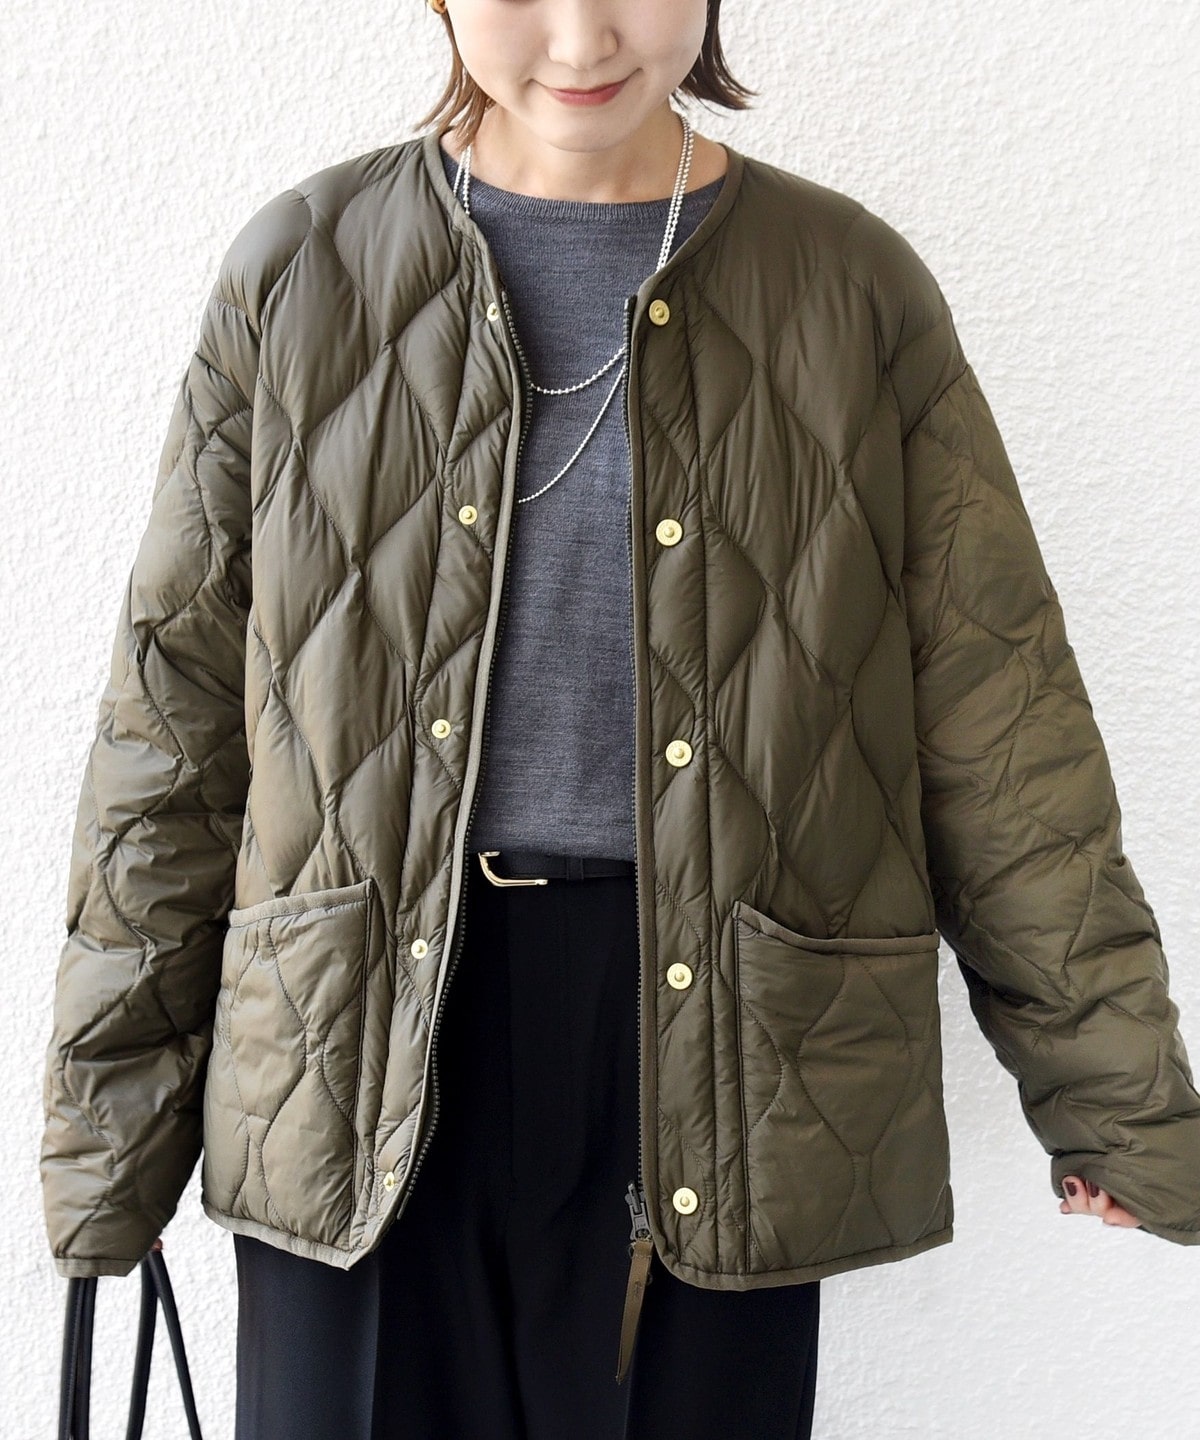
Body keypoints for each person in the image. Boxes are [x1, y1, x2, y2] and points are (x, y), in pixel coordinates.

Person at [39, 1, 1199, 1437]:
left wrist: (1112, 1092)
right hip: (355, 1031)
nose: (581, 37)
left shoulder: (851, 289)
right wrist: (111, 1136)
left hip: (721, 1038)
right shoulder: (301, 271)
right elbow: (174, 731)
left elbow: (1001, 726)